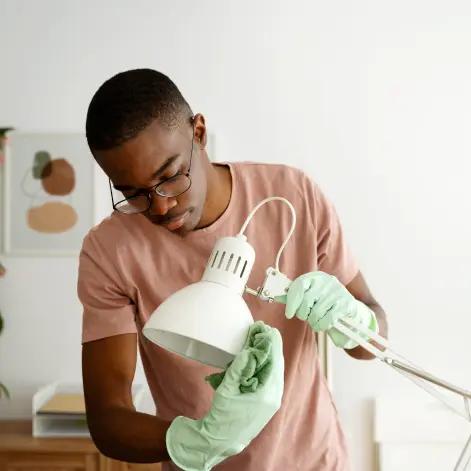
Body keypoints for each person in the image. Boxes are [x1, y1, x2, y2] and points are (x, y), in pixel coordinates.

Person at [79, 68, 388, 471]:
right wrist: (198, 441)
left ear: (199, 132)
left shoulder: (293, 197)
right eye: (132, 193)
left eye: (170, 177)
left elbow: (372, 345)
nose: (159, 206)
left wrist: (350, 315)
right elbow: (107, 420)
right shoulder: (110, 251)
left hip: (314, 460)